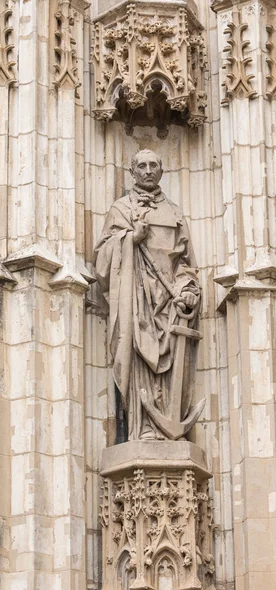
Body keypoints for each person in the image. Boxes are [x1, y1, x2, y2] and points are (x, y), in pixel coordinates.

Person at [94, 149, 201, 440]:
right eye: (141, 165)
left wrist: (188, 291)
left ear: (162, 171)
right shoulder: (121, 209)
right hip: (135, 300)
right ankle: (141, 427)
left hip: (169, 302)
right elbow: (101, 263)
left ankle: (167, 422)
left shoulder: (174, 213)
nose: (148, 170)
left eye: (154, 165)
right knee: (138, 359)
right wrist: (130, 238)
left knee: (170, 365)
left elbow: (186, 263)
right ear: (132, 172)